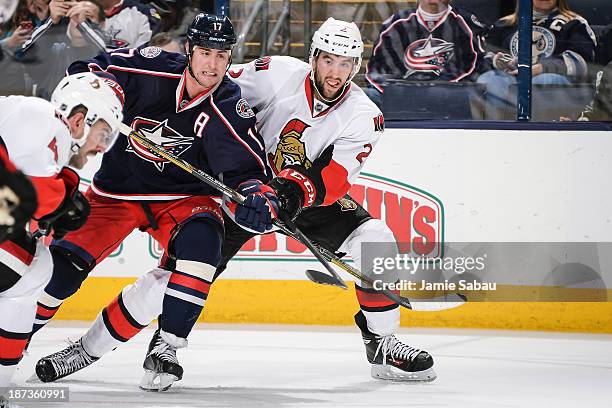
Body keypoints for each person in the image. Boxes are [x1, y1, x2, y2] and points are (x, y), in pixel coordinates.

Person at [35, 17, 436, 390]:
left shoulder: (365, 115)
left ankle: (382, 344)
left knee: (375, 239)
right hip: (241, 191)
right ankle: (119, 348)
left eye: (345, 63)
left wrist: (285, 195)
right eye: (327, 59)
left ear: (356, 66)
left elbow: (333, 179)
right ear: (312, 57)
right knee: (176, 277)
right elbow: (217, 95)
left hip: (300, 197)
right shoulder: (274, 73)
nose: (335, 71)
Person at [31, 13, 275, 391]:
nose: (213, 64)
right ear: (190, 50)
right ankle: (14, 336)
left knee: (203, 247)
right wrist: (104, 87)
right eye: (206, 52)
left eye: (222, 55)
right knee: (61, 270)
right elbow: (91, 69)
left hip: (185, 199)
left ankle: (166, 348)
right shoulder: (152, 67)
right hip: (116, 192)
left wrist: (259, 198)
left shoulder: (229, 105)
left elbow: (250, 171)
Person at [0, 72, 123, 406]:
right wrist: (62, 193)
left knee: (31, 261)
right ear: (80, 120)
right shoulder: (43, 118)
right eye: (103, 135)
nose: (101, 148)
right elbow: (27, 197)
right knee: (32, 266)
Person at [477, 0, 597, 119]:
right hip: (510, 77)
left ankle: (538, 132)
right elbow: (482, 57)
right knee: (490, 80)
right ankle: (497, 131)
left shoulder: (575, 23)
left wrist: (541, 68)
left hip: (553, 81)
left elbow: (583, 60)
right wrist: (498, 61)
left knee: (545, 80)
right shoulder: (504, 24)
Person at [365, 0, 490, 104]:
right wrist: (399, 93)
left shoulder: (467, 24)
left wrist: (442, 90)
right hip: (402, 96)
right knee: (368, 95)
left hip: (449, 97)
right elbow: (376, 71)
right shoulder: (395, 23)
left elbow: (476, 67)